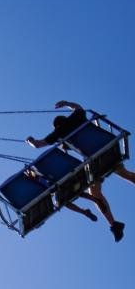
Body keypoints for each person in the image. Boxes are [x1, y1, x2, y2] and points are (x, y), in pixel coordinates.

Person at [27, 101, 134, 242]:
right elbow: (77, 107)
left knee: (94, 193)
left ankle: (114, 224)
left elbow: (38, 145)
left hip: (96, 162)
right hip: (109, 150)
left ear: (57, 126)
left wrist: (29, 140)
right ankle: (115, 225)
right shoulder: (78, 116)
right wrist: (65, 103)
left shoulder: (59, 132)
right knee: (124, 173)